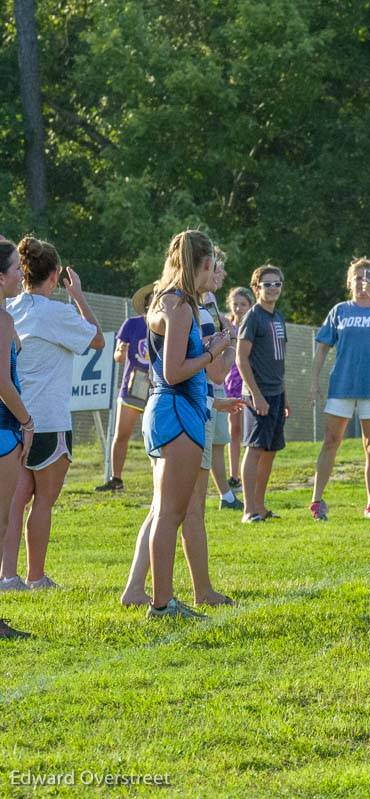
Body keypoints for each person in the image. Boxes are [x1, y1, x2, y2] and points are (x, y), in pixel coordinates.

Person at [1, 235, 103, 592]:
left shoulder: (10, 309)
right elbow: (97, 340)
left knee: (14, 501)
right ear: (56, 274)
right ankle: (36, 575)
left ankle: (8, 575)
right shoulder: (57, 312)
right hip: (49, 419)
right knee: (43, 502)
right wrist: (78, 297)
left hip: (16, 418)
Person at [142, 229, 234, 619]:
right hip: (176, 410)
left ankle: (165, 600)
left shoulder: (170, 299)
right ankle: (163, 604)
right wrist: (213, 349)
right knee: (170, 514)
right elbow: (175, 370)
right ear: (202, 264)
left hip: (180, 410)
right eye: (210, 265)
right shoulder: (178, 305)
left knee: (171, 512)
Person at [309, 258, 370, 521]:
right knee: (331, 442)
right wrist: (314, 381)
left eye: (368, 279)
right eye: (358, 278)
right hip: (342, 387)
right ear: (349, 283)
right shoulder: (340, 310)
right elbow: (323, 348)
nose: (363, 283)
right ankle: (317, 501)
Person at [236, 265, 289, 523]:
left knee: (270, 451)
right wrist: (256, 395)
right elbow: (241, 359)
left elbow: (279, 361)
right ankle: (248, 510)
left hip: (277, 394)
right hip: (258, 395)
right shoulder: (253, 316)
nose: (272, 288)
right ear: (256, 288)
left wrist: (284, 395)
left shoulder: (277, 317)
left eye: (276, 283)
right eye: (267, 284)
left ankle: (260, 506)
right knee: (255, 449)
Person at [0, 237, 34, 637]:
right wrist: (26, 421)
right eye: (15, 269)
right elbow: (4, 383)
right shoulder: (3, 320)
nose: (21, 275)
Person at [96, 283, 155, 491]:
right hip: (134, 382)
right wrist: (121, 351)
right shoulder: (132, 324)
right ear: (146, 304)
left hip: (158, 384)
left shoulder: (168, 325)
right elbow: (118, 356)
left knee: (155, 435)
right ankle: (116, 479)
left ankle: (159, 477)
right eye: (152, 298)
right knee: (122, 434)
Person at [201, 248, 241, 511]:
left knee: (218, 443)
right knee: (203, 453)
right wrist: (232, 343)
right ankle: (198, 503)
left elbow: (226, 328)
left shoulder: (210, 298)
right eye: (218, 268)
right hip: (205, 384)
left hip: (215, 386)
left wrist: (230, 333)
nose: (223, 273)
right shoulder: (197, 303)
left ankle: (225, 496)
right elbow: (217, 361)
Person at [224, 287, 254, 492]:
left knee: (249, 431)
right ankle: (233, 475)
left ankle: (248, 473)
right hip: (229, 382)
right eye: (235, 303)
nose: (238, 308)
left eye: (243, 304)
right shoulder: (226, 326)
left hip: (248, 381)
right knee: (233, 429)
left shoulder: (252, 325)